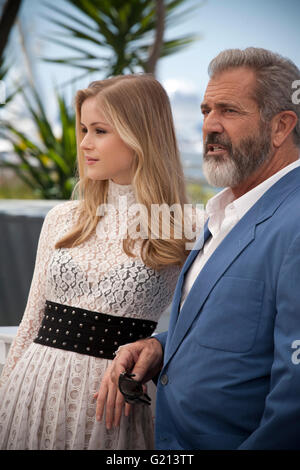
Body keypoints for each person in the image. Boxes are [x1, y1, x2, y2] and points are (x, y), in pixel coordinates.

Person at [99, 47, 300, 450]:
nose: (209, 124)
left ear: (281, 126)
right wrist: (160, 346)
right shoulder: (222, 213)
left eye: (228, 110)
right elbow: (241, 327)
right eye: (207, 109)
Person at [0, 74, 196, 450]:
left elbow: (200, 326)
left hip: (112, 412)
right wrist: (7, 396)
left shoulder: (181, 225)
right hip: (29, 394)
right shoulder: (63, 218)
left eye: (101, 131)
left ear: (141, 134)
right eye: (84, 129)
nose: (85, 143)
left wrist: (158, 345)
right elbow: (31, 323)